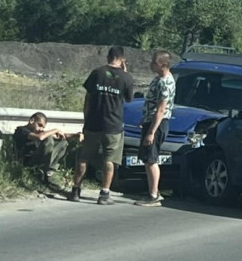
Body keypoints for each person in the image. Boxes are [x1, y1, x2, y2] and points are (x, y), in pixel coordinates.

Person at [68, 46, 134, 205]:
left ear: (108, 57)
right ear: (122, 59)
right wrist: (125, 73)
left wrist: (86, 121)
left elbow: (87, 100)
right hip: (113, 125)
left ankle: (75, 190)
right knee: (109, 160)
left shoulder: (96, 73)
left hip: (93, 123)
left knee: (84, 157)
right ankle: (104, 194)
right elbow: (129, 99)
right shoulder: (126, 78)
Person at [134, 50, 176, 207]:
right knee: (147, 158)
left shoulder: (165, 83)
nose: (151, 65)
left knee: (151, 159)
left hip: (157, 124)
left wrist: (151, 132)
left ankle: (153, 195)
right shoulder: (159, 79)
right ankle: (153, 192)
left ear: (163, 65)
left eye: (154, 63)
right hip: (150, 120)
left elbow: (161, 110)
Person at [13, 112, 83, 187]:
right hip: (28, 162)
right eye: (39, 125)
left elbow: (62, 136)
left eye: (43, 127)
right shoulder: (21, 130)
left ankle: (48, 173)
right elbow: (40, 137)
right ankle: (42, 174)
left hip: (40, 160)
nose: (41, 129)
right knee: (49, 139)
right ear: (32, 121)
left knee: (63, 143)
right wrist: (55, 129)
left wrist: (77, 135)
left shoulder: (39, 132)